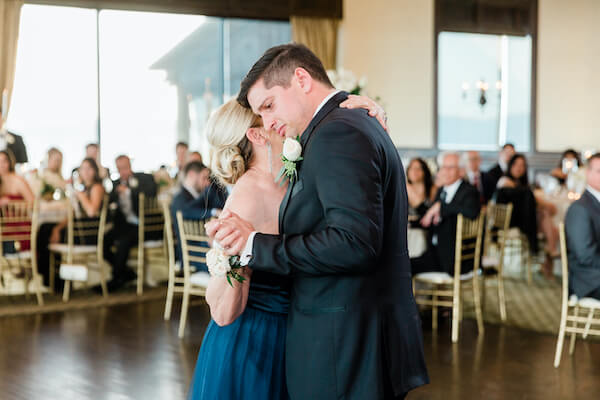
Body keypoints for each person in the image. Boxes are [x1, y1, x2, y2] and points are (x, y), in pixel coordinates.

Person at [205, 43, 428, 399]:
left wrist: (253, 245)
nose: (269, 122)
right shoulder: (341, 129)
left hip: (343, 344)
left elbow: (354, 241)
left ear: (302, 79)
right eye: (260, 116)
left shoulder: (337, 133)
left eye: (269, 106)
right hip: (288, 339)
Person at [37, 158, 105, 288]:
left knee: (47, 232)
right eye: (82, 168)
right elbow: (72, 215)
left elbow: (91, 211)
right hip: (78, 228)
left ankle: (52, 277)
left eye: (88, 168)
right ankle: (50, 275)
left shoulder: (96, 187)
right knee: (45, 228)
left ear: (94, 171)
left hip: (89, 233)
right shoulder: (83, 189)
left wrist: (81, 195)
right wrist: (57, 229)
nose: (85, 172)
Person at [414, 152, 480, 276]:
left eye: (450, 168)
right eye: (443, 167)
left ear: (461, 171)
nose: (445, 171)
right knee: (403, 264)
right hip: (436, 253)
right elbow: (431, 219)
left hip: (455, 258)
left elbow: (472, 212)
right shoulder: (442, 190)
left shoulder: (469, 191)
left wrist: (440, 207)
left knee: (404, 267)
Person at [497, 153, 558, 277]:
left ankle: (548, 254)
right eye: (516, 165)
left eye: (522, 165)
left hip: (524, 219)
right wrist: (543, 204)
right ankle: (548, 253)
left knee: (550, 222)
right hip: (510, 222)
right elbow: (527, 200)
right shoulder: (505, 182)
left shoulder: (520, 184)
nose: (519, 168)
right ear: (510, 166)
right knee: (546, 219)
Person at [104, 155, 157, 291]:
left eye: (125, 167)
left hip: (141, 225)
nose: (123, 171)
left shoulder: (144, 179)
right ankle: (126, 273)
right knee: (103, 242)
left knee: (123, 242)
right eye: (120, 168)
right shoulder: (115, 184)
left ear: (130, 165)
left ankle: (116, 280)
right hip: (123, 225)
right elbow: (109, 203)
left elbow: (151, 192)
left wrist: (128, 191)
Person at [170, 161, 222, 266]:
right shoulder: (179, 199)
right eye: (204, 177)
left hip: (203, 248)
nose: (208, 183)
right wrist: (213, 212)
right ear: (191, 175)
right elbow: (186, 212)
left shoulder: (199, 197)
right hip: (191, 253)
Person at [565, 153, 600, 299]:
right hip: (589, 281)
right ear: (588, 173)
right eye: (599, 171)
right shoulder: (580, 208)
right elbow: (585, 255)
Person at [406, 157, 436, 225]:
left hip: (428, 231)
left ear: (425, 171)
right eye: (411, 168)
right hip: (409, 230)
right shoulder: (404, 189)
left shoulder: (433, 189)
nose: (414, 171)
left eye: (418, 168)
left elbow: (429, 214)